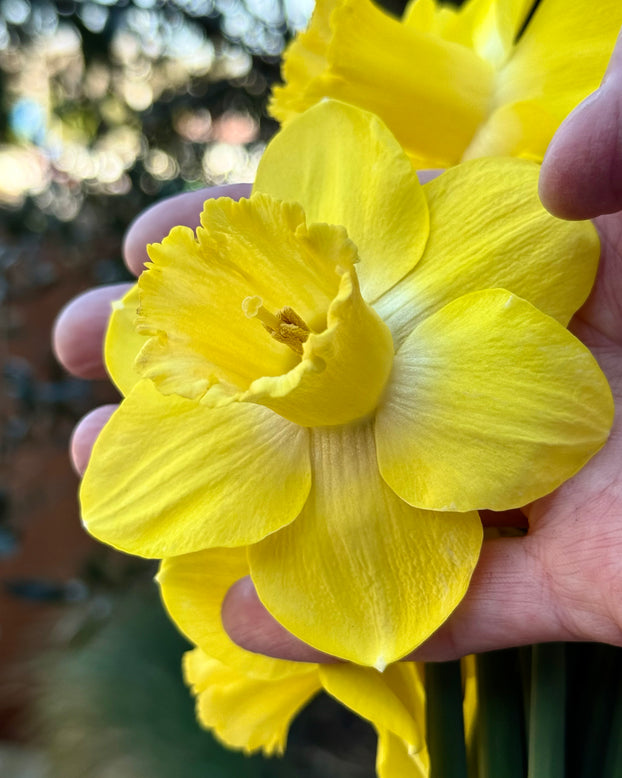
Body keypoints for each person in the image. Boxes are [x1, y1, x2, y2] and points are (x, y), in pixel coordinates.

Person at [53, 33, 622, 664]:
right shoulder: (185, 370)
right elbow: (376, 611)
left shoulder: (484, 240)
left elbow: (534, 230)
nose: (306, 344)